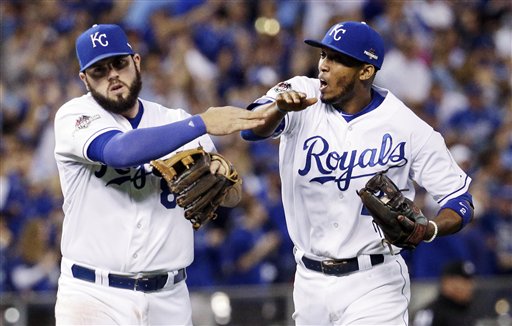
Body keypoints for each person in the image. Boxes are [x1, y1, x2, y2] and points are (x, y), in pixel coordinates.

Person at [241, 21, 474, 325]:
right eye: (323, 55)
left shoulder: (406, 126)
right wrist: (278, 110)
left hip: (375, 282)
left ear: (366, 71)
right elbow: (251, 129)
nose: (324, 66)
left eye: (337, 59)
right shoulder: (300, 92)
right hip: (310, 281)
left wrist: (429, 229)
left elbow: (461, 201)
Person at [53, 24, 266, 325]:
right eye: (99, 71)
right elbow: (120, 152)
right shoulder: (74, 116)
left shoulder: (173, 120)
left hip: (169, 298)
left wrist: (222, 177)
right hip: (93, 296)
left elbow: (232, 197)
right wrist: (201, 123)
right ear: (85, 80)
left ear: (136, 62)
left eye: (119, 63)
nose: (112, 74)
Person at [412, 260, 477, 326]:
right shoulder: (429, 313)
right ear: (447, 282)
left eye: (470, 282)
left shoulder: (472, 312)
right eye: (463, 282)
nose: (469, 286)